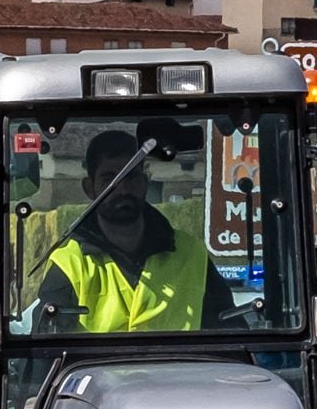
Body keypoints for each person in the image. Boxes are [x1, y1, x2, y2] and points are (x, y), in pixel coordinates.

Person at [30, 126, 234, 333]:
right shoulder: (70, 264)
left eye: (131, 177)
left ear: (145, 183)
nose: (123, 189)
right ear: (89, 188)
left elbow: (230, 335)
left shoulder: (192, 255)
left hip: (184, 365)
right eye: (109, 179)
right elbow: (45, 352)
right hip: (93, 367)